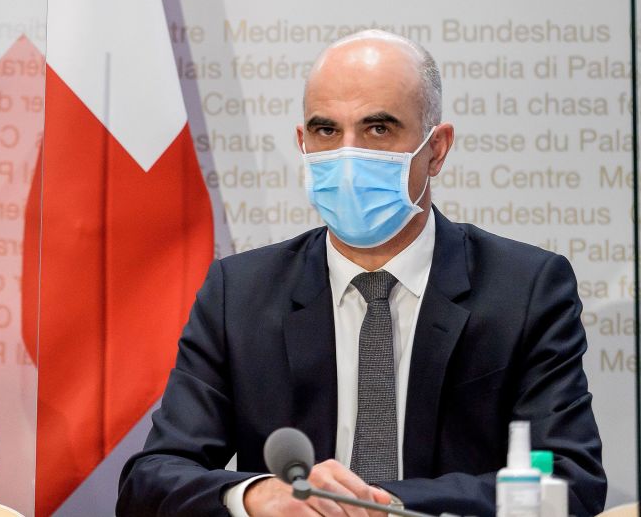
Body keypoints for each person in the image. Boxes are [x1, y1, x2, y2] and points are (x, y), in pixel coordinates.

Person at [117, 30, 606, 517]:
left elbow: (570, 481)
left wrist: (386, 505)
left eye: (378, 129)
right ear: (302, 144)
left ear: (436, 149)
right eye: (327, 131)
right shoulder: (239, 293)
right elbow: (150, 481)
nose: (348, 157)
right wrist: (256, 495)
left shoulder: (525, 289)